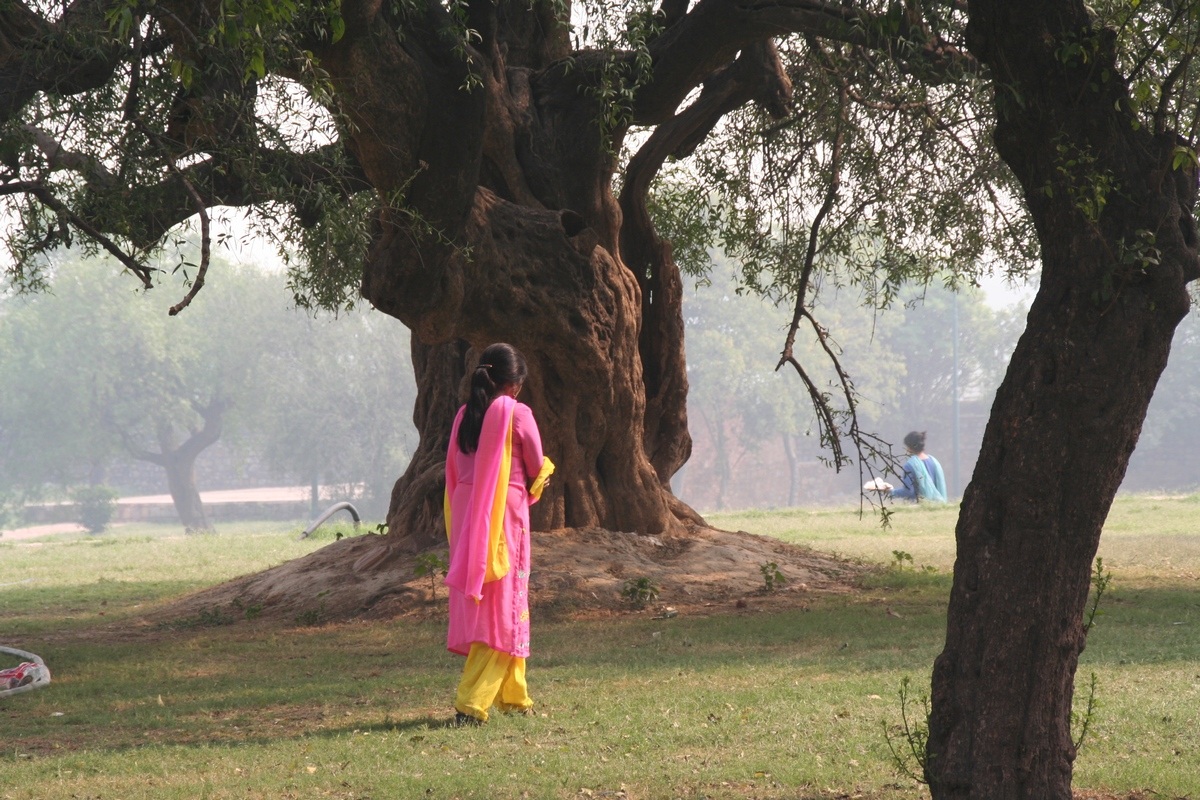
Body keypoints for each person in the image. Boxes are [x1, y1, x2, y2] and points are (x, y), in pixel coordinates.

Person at [443, 343, 554, 726]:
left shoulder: (463, 416)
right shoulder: (516, 413)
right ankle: (471, 702)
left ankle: (515, 695)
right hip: (503, 516)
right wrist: (537, 483)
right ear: (515, 384)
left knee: (496, 601)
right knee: (503, 605)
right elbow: (537, 466)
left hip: (467, 513)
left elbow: (456, 469)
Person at [888, 430, 947, 502]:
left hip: (920, 507)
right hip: (938, 506)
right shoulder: (934, 461)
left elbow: (908, 491)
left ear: (909, 447)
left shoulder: (910, 465)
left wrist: (891, 491)